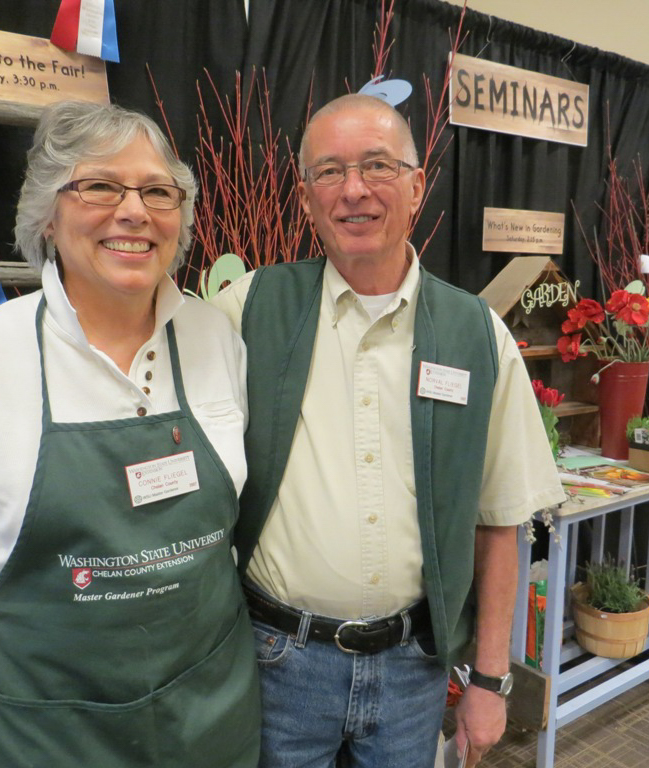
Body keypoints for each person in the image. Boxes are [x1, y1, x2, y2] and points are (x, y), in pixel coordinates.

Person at [212, 93, 565, 768]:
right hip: (275, 664)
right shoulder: (244, 312)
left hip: (415, 670)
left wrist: (490, 682)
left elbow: (500, 521)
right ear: (306, 196)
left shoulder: (476, 334)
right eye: (329, 172)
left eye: (377, 165)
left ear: (416, 185)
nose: (354, 191)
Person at [0, 101, 260, 768]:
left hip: (209, 721)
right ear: (48, 211)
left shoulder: (218, 339)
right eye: (99, 185)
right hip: (43, 733)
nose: (134, 211)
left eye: (158, 191)